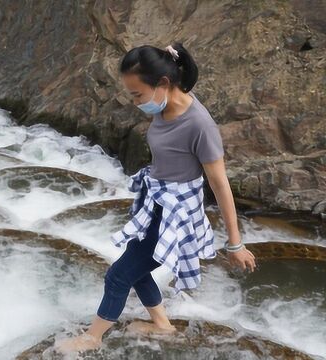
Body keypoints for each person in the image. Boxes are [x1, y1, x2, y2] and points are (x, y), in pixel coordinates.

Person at [55, 42, 257, 353]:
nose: (135, 103)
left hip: (175, 214)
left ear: (163, 84)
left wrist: (235, 243)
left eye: (137, 95)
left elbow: (219, 183)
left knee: (118, 275)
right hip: (156, 201)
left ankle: (91, 339)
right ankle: (162, 325)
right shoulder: (166, 104)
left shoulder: (200, 125)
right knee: (134, 266)